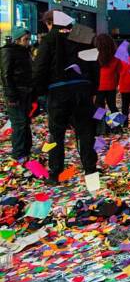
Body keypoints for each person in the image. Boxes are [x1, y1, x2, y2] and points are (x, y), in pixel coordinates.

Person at [32, 11, 98, 184]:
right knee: (85, 131)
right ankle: (90, 170)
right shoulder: (83, 36)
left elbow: (40, 67)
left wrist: (39, 92)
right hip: (82, 89)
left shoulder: (49, 39)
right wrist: (93, 89)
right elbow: (94, 64)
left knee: (57, 134)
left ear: (50, 23)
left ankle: (56, 173)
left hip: (58, 90)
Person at [1, 27, 34, 162]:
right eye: (25, 39)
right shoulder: (8, 51)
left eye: (28, 39)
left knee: (24, 122)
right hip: (16, 92)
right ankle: (19, 153)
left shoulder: (24, 51)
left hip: (25, 91)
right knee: (20, 122)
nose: (28, 42)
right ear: (17, 39)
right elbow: (6, 75)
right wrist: (11, 95)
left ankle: (25, 151)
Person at [94, 34, 121, 134]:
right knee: (113, 106)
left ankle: (101, 128)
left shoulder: (95, 57)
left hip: (98, 85)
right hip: (111, 85)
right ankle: (117, 128)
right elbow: (118, 71)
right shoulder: (115, 57)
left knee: (99, 108)